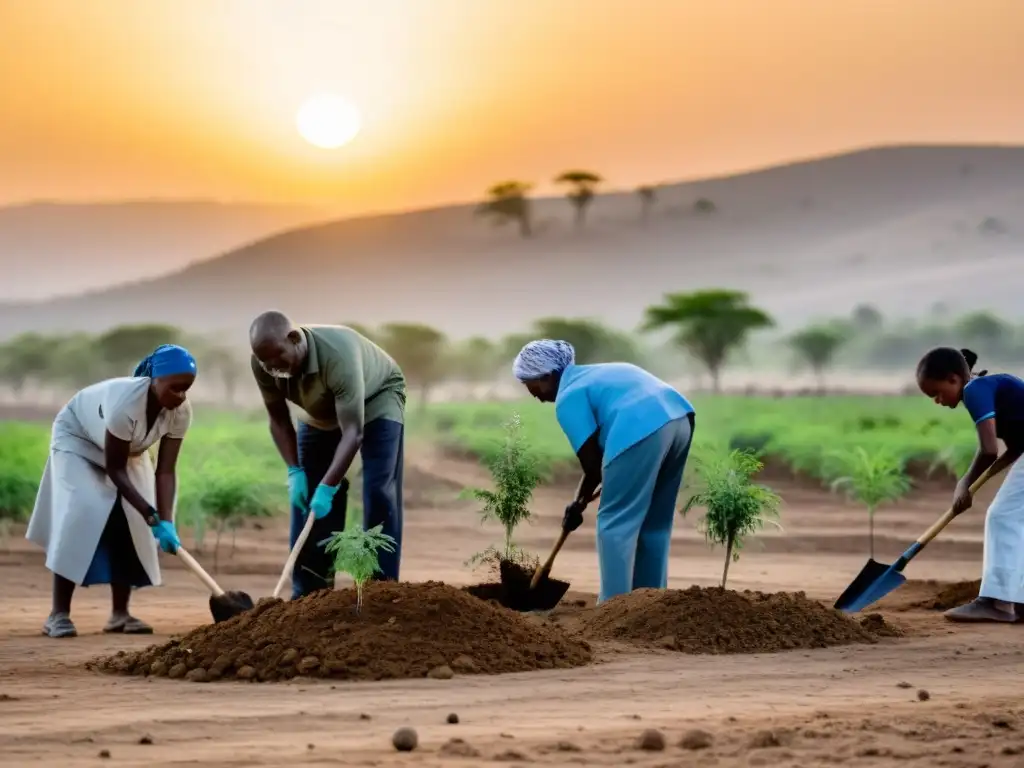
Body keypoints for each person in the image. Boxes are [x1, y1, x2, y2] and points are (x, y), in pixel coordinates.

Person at [26, 344, 196, 638]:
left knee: (131, 518)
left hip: (126, 447)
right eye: (174, 388)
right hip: (78, 439)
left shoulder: (180, 412)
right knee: (82, 510)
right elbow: (115, 470)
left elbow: (166, 470)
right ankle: (58, 615)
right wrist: (150, 513)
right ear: (154, 380)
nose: (180, 396)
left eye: (187, 389)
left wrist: (164, 519)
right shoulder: (125, 405)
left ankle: (120, 614)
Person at [512, 339, 695, 604]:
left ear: (547, 376)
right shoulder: (600, 373)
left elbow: (593, 466)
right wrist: (578, 502)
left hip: (640, 429)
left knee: (615, 523)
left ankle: (613, 608)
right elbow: (597, 468)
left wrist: (578, 502)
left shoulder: (568, 396)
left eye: (529, 383)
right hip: (679, 420)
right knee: (655, 523)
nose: (533, 393)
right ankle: (652, 605)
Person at [248, 311, 406, 598]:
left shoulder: (338, 356)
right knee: (307, 494)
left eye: (278, 360)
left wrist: (328, 485)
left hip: (377, 398)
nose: (274, 369)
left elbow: (353, 433)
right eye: (266, 364)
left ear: (295, 339)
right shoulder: (265, 363)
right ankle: (310, 591)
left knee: (378, 489)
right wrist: (295, 471)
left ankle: (380, 589)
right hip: (320, 411)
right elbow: (279, 420)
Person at [916, 346, 1024, 623]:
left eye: (937, 393)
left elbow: (989, 450)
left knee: (1002, 517)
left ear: (954, 379)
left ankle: (996, 603)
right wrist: (984, 477)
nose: (938, 401)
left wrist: (965, 483)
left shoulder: (975, 390)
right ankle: (1018, 601)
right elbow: (1014, 448)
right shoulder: (986, 387)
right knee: (1013, 518)